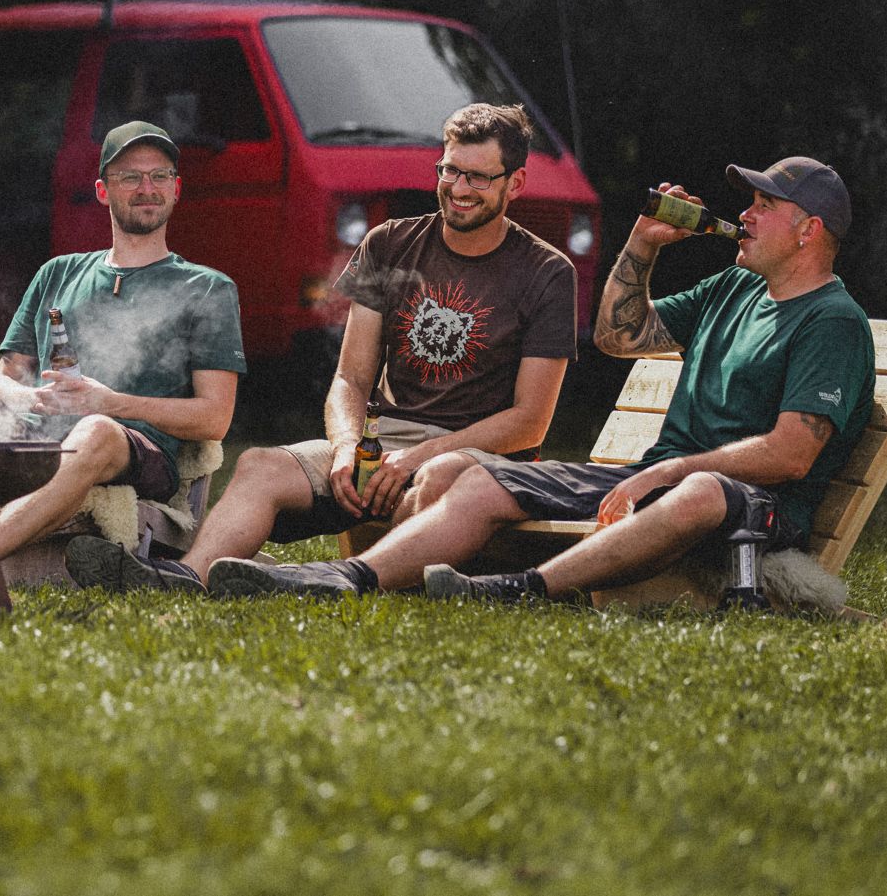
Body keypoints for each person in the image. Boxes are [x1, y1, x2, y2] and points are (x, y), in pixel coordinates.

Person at [203, 156, 873, 603]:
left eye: (764, 205)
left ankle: (524, 588)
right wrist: (642, 244)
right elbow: (618, 336)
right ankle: (345, 576)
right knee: (477, 475)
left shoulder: (832, 322)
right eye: (748, 203)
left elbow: (790, 452)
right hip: (663, 478)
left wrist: (660, 475)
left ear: (809, 230)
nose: (745, 215)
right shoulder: (733, 287)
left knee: (696, 487)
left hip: (750, 508)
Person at [65, 102, 577, 594]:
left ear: (516, 182)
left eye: (478, 177)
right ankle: (188, 577)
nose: (458, 189)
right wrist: (347, 446)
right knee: (260, 465)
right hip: (383, 443)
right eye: (449, 171)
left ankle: (329, 580)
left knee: (437, 477)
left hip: (475, 456)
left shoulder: (547, 272)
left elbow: (529, 422)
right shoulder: (388, 244)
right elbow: (351, 379)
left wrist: (418, 457)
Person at [0, 121, 246, 581]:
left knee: (95, 430)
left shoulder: (206, 288)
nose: (146, 188)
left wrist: (109, 402)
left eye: (160, 176)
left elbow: (214, 418)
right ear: (102, 191)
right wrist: (26, 399)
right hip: (33, 432)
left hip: (129, 448)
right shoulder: (58, 272)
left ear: (177, 190)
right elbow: (5, 376)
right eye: (130, 177)